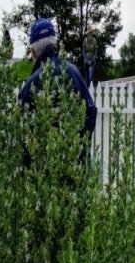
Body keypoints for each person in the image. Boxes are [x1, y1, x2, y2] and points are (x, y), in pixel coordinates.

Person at [18, 18, 98, 160]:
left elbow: (21, 128)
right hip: (74, 168)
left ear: (33, 52)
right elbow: (91, 110)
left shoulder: (31, 84)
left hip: (42, 173)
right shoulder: (73, 72)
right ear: (55, 43)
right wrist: (79, 152)